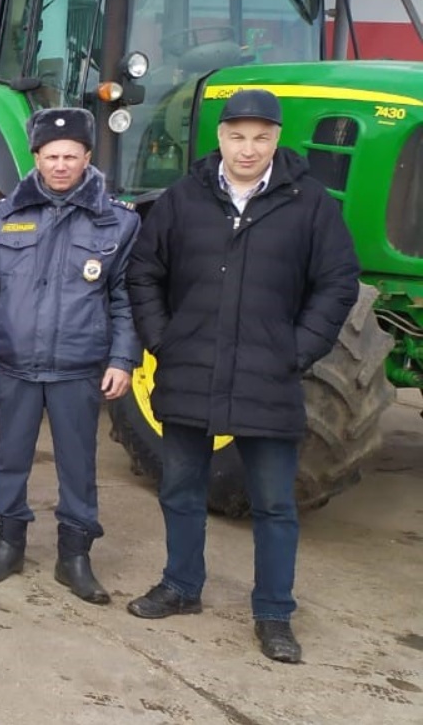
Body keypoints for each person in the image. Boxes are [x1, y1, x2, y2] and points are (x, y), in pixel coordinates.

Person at [124, 89, 359, 663]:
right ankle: (181, 584)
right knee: (180, 489)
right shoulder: (183, 198)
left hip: (267, 378)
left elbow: (338, 282)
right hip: (190, 372)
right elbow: (144, 271)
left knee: (274, 504)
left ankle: (274, 612)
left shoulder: (309, 204)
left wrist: (296, 351)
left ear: (276, 139)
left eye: (260, 137)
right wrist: (163, 340)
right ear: (220, 137)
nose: (247, 148)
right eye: (237, 136)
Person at [0, 107, 139, 604]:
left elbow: (125, 298)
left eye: (71, 156)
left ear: (87, 157)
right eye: (51, 156)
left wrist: (122, 360)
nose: (61, 165)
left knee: (78, 465)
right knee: (10, 459)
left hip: (78, 366)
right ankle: (7, 545)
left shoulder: (118, 221)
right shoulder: (3, 216)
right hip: (15, 363)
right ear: (36, 158)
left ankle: (75, 557)